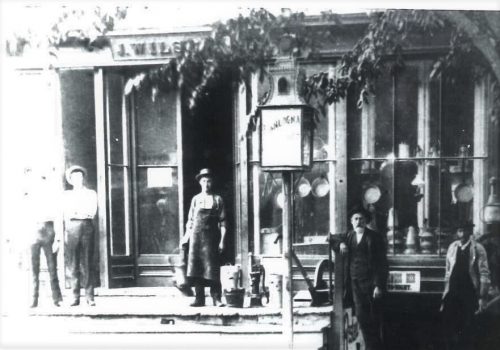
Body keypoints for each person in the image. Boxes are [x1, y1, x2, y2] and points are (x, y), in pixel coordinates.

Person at [330, 206, 388, 350]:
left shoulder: (374, 237)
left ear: (366, 221)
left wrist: (378, 285)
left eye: (361, 219)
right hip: (354, 284)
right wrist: (341, 243)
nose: (358, 221)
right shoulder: (349, 236)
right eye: (355, 219)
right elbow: (331, 238)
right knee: (362, 319)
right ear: (351, 221)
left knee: (373, 320)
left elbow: (382, 264)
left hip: (371, 285)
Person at [441, 221, 490, 350]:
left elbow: (484, 274)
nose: (461, 234)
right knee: (450, 325)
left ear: (469, 232)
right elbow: (448, 271)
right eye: (459, 231)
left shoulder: (478, 249)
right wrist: (445, 292)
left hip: (469, 293)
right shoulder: (452, 247)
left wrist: (482, 297)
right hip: (453, 293)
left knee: (468, 328)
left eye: (464, 231)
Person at [181, 168, 226, 307]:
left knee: (212, 269)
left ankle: (216, 298)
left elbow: (223, 222)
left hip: (211, 239)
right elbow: (190, 222)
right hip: (195, 239)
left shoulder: (218, 200)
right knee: (196, 269)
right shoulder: (196, 200)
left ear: (212, 183)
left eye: (209, 181)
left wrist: (222, 241)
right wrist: (185, 238)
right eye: (204, 181)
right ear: (200, 183)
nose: (206, 184)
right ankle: (199, 299)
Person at [24, 167, 63, 307]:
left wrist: (58, 239)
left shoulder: (51, 197)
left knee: (52, 266)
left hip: (48, 230)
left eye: (41, 178)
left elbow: (58, 217)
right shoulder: (27, 197)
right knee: (33, 268)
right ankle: (33, 300)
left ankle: (57, 299)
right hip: (32, 231)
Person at [63, 165, 98, 306]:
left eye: (80, 177)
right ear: (70, 180)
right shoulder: (67, 195)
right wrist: (77, 213)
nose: (78, 179)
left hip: (87, 227)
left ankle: (90, 297)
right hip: (71, 228)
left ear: (83, 178)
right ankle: (75, 296)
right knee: (73, 263)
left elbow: (91, 211)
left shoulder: (91, 193)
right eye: (74, 177)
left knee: (87, 262)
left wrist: (78, 212)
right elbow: (67, 212)